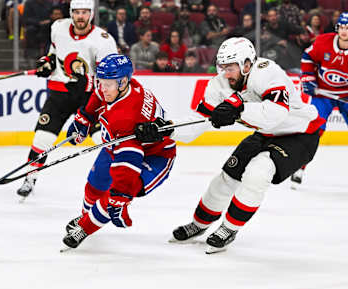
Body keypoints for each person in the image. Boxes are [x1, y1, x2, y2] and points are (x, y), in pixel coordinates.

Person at [136, 37, 324, 253]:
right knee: (226, 178)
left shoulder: (267, 72)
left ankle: (229, 228)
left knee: (258, 173)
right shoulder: (219, 85)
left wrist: (238, 109)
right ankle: (199, 225)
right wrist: (164, 129)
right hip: (264, 133)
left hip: (300, 134)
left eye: (231, 67)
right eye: (222, 66)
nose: (225, 73)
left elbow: (275, 114)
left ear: (246, 64)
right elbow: (197, 123)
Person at [61, 54, 176, 250]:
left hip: (155, 156)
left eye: (108, 84)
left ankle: (85, 227)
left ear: (123, 82)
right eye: (101, 82)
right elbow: (98, 94)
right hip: (120, 142)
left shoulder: (125, 117)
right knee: (94, 185)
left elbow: (128, 162)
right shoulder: (123, 86)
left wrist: (120, 195)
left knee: (118, 194)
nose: (102, 88)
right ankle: (86, 215)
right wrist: (84, 118)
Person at [16, 0, 117, 199]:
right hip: (60, 93)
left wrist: (87, 82)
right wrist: (47, 63)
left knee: (101, 140)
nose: (81, 16)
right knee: (42, 138)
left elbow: (110, 77)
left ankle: (115, 180)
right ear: (71, 13)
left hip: (90, 97)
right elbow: (53, 53)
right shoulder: (58, 28)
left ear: (92, 14)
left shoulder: (103, 40)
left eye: (85, 12)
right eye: (77, 12)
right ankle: (30, 177)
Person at [292, 12, 348, 185]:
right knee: (314, 131)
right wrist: (308, 77)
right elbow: (308, 57)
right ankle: (299, 168)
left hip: (346, 95)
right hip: (323, 94)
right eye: (342, 27)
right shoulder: (324, 41)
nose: (345, 31)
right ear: (337, 28)